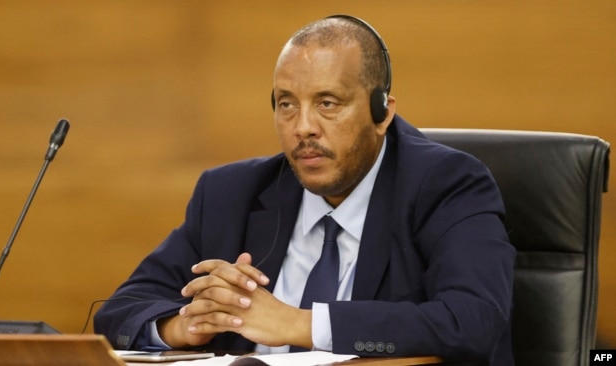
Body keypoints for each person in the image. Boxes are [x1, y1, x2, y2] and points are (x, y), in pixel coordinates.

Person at [94, 15, 515, 365]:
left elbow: (472, 321)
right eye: (286, 104)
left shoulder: (447, 184)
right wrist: (184, 325)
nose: (303, 127)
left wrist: (298, 325)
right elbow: (121, 310)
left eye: (327, 103)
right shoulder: (230, 194)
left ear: (381, 112)